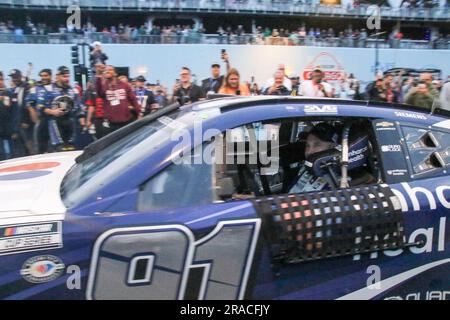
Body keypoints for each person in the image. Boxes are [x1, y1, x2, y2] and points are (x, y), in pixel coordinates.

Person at [36, 66, 84, 151]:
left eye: (68, 76)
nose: (67, 79)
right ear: (57, 76)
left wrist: (82, 119)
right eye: (64, 76)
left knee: (71, 148)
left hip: (70, 123)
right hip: (54, 124)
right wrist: (52, 112)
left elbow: (79, 107)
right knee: (59, 149)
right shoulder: (48, 89)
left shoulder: (73, 90)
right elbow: (40, 106)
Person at [289, 123, 340, 193]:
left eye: (317, 145)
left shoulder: (339, 181)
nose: (309, 152)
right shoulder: (304, 169)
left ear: (332, 148)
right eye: (307, 145)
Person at [95, 64, 141, 133]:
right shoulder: (104, 86)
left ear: (115, 73)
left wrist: (138, 114)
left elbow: (133, 100)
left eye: (110, 70)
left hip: (126, 120)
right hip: (112, 123)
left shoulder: (124, 85)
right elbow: (99, 93)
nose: (107, 71)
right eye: (105, 70)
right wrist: (98, 74)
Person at [0, 72, 14, 160]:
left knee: (8, 154)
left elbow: (9, 106)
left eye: (1, 79)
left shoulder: (8, 93)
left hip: (6, 130)